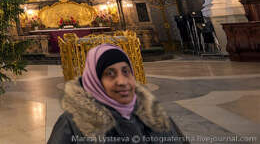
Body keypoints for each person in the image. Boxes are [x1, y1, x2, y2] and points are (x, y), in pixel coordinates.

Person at [48, 44, 188, 143]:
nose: (122, 81)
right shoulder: (72, 122)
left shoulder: (154, 112)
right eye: (110, 74)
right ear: (94, 81)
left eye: (126, 71)